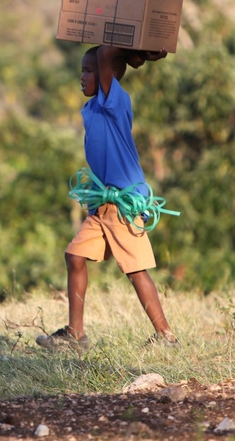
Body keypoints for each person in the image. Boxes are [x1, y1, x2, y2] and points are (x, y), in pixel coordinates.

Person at [37, 45, 177, 352]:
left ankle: (166, 337)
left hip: (124, 204)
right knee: (74, 256)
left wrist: (133, 48)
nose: (82, 77)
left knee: (135, 270)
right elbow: (104, 58)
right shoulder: (92, 109)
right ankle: (76, 335)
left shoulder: (115, 102)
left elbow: (104, 56)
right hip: (102, 204)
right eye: (82, 71)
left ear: (108, 74)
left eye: (89, 71)